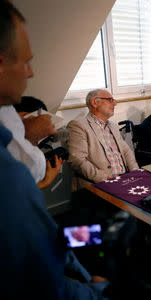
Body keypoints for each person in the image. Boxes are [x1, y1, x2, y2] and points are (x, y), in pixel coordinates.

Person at [0, 1, 106, 298]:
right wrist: (97, 291)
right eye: (25, 61)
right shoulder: (79, 127)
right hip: (94, 197)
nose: (31, 72)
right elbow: (42, 279)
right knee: (96, 237)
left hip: (48, 238)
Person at [67, 89, 139, 189]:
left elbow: (126, 151)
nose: (114, 104)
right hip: (98, 184)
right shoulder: (78, 125)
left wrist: (135, 172)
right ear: (94, 102)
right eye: (110, 100)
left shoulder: (113, 125)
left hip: (124, 179)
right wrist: (104, 178)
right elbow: (77, 160)